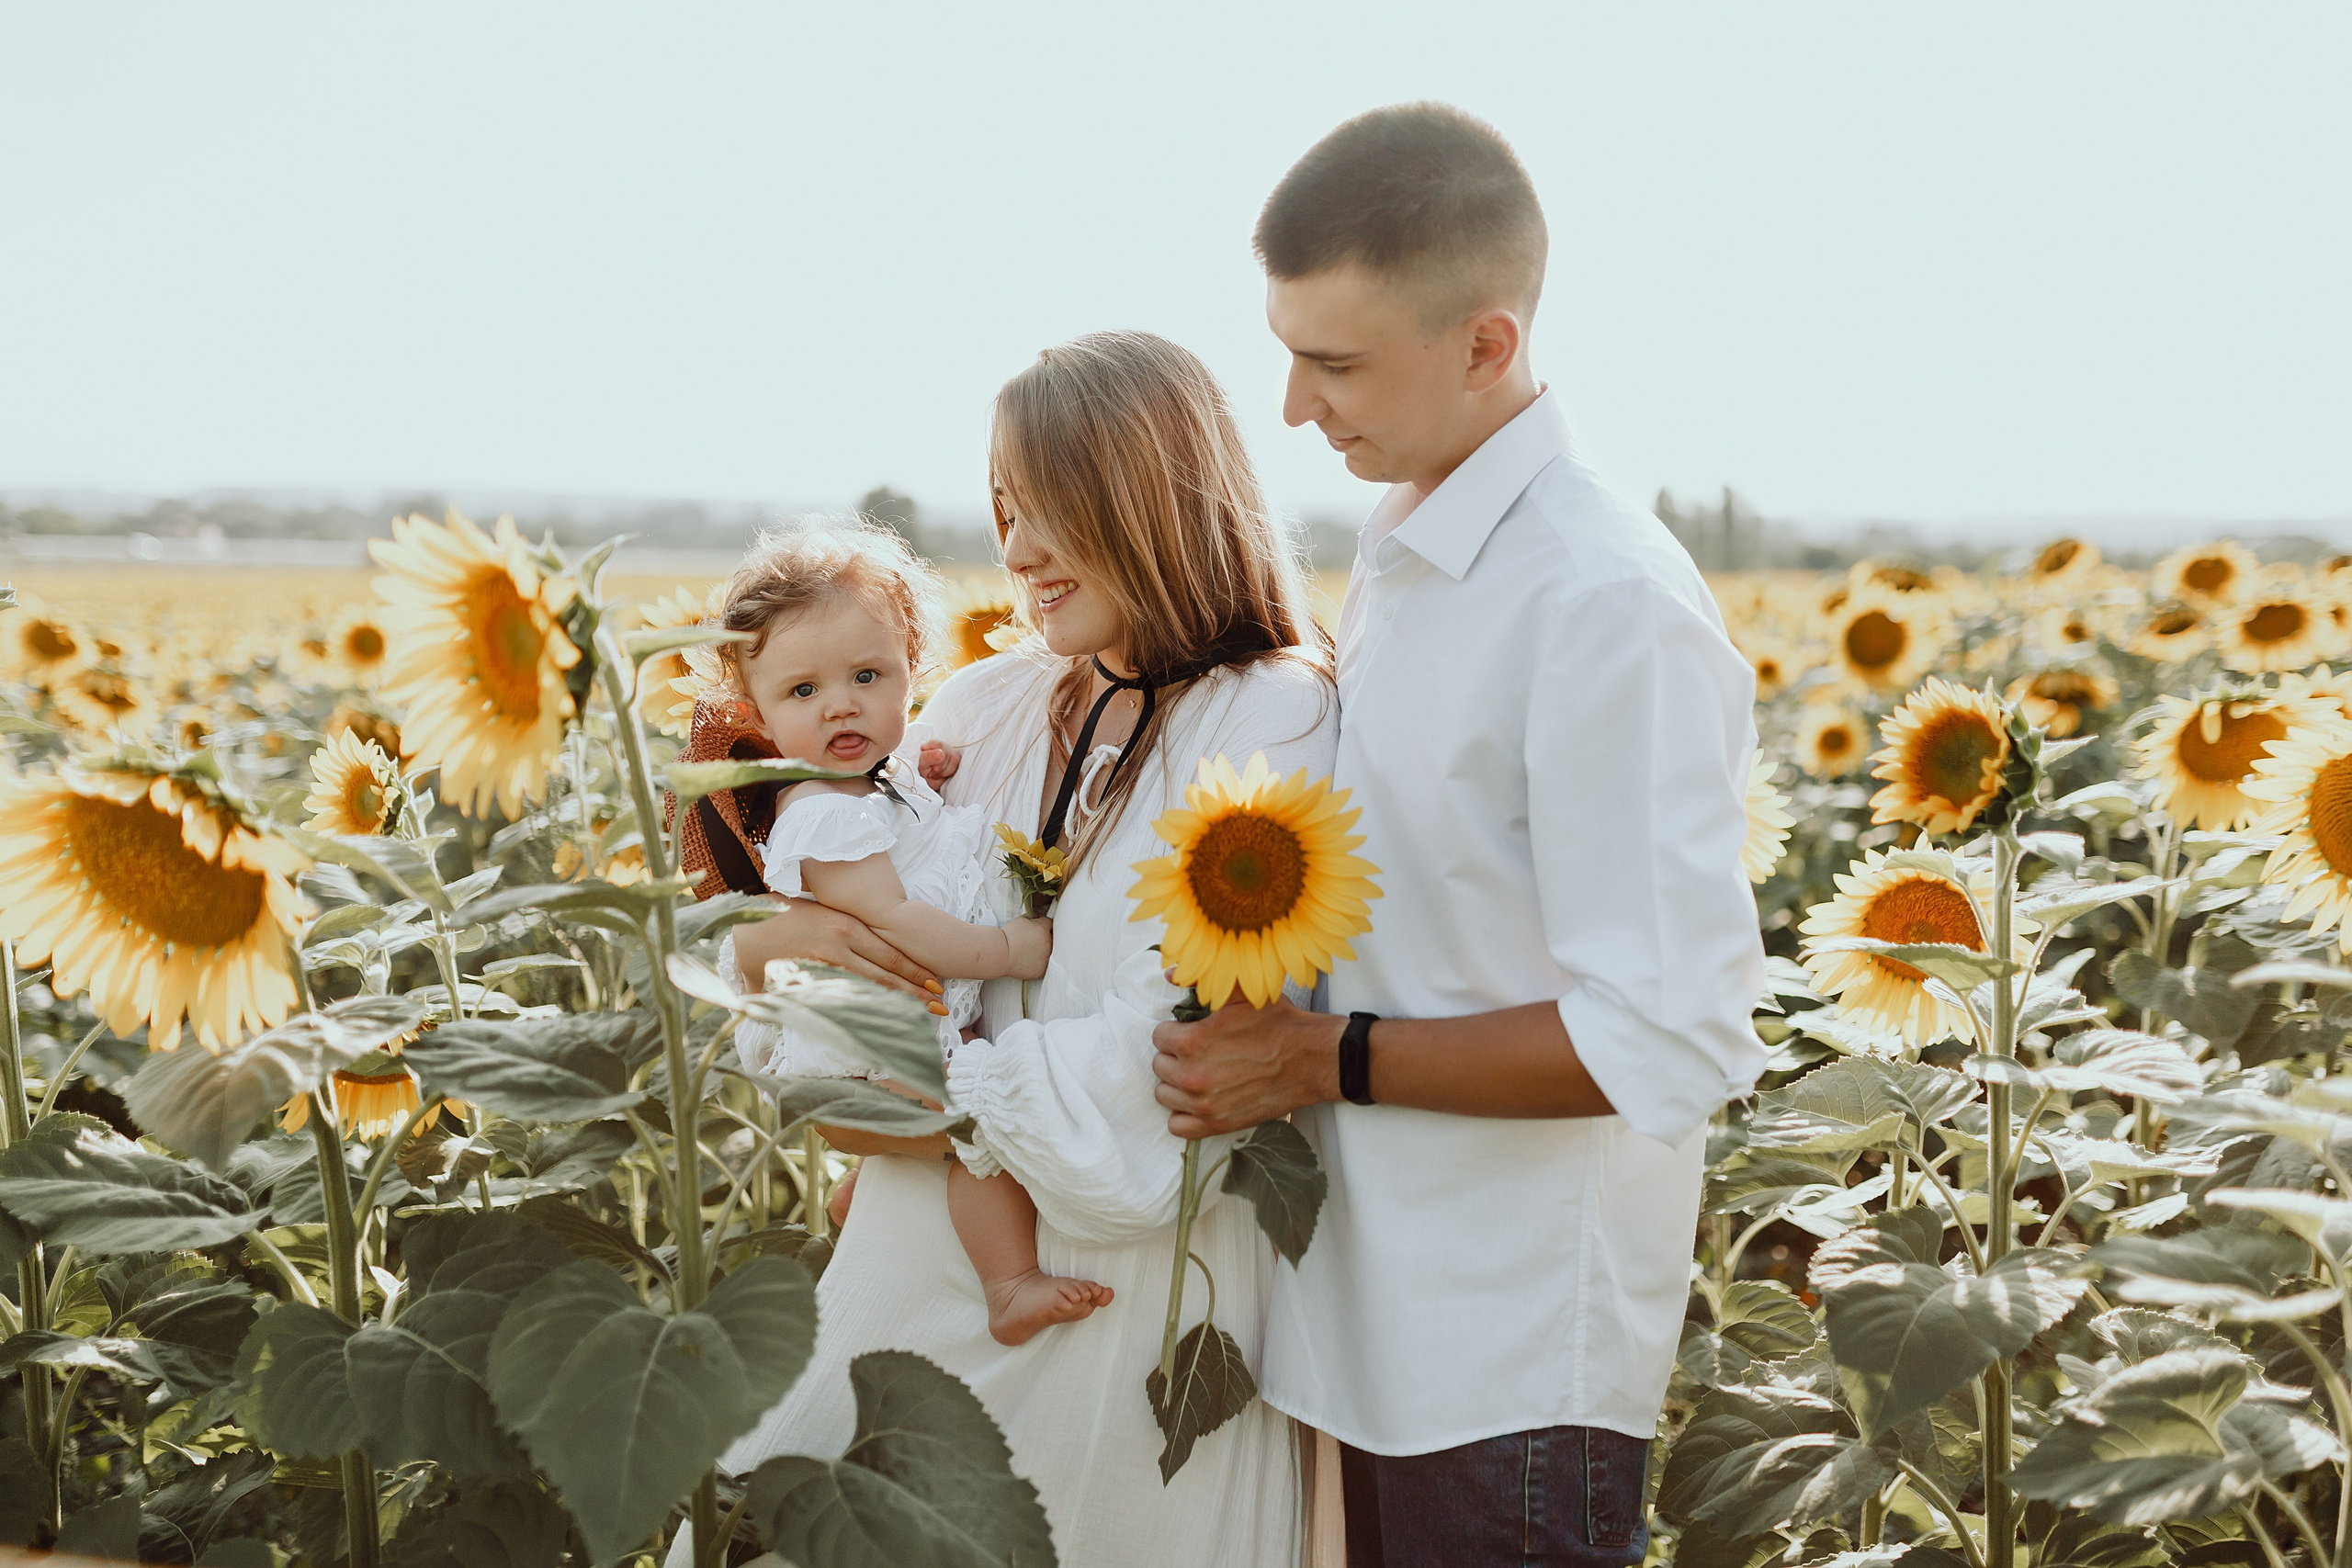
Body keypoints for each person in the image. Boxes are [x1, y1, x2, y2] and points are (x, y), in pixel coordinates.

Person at [1148, 104, 1769, 1567]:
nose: (1294, 404)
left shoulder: (1600, 603)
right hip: (1364, 1326)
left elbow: (1668, 1038)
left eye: (1338, 361)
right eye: (1288, 347)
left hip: (1504, 1368)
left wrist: (1321, 1056)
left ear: (1488, 343)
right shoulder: (1416, 545)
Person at [698, 331, 1333, 1568]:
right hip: (914, 1280)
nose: (1018, 546)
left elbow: (1180, 1068)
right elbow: (822, 1012)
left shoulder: (1277, 712)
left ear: (1152, 493)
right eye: (1004, 505)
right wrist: (780, 950)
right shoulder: (980, 703)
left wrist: (926, 1099)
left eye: (1051, 504)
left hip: (1120, 1303)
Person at [684, 514, 1113, 1347]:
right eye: (803, 692)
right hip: (877, 1038)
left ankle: (862, 1192)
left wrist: (923, 769)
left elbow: (910, 813)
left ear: (911, 669)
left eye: (867, 675)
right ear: (760, 718)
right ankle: (1010, 1282)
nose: (842, 703)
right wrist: (1012, 949)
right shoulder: (818, 815)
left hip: (896, 1024)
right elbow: (901, 923)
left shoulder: (871, 779)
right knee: (975, 1137)